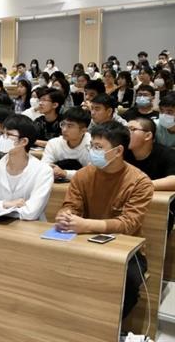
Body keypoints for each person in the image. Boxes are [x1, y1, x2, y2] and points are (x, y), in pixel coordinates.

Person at [54, 121, 152, 319]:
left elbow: (128, 223)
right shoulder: (83, 175)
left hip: (126, 250)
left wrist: (86, 224)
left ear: (118, 151)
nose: (93, 152)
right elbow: (71, 205)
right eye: (91, 146)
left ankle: (111, 328)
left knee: (129, 283)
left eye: (99, 147)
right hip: (84, 240)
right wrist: (65, 215)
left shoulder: (140, 182)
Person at [0, 114, 54, 220]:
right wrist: (5, 204)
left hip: (29, 227)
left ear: (24, 141)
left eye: (8, 134)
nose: (2, 138)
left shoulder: (43, 171)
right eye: (2, 133)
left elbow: (30, 213)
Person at [125, 117, 175, 232]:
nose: (126, 133)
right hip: (129, 207)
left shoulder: (166, 154)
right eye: (125, 129)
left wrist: (142, 186)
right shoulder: (122, 153)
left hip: (161, 211)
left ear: (148, 136)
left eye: (132, 129)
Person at [41, 107, 91, 181]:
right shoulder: (53, 143)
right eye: (63, 124)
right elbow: (43, 168)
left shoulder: (93, 145)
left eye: (70, 126)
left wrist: (65, 173)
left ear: (83, 131)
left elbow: (92, 173)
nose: (64, 129)